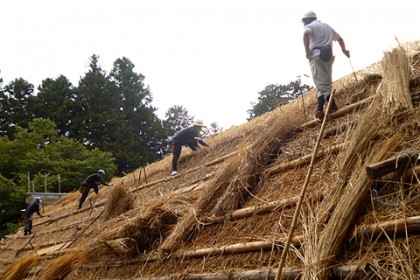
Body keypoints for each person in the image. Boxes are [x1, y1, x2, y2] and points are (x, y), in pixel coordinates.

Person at [302, 11, 350, 122]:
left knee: (321, 83)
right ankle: (319, 109)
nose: (303, 23)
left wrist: (307, 51)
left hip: (316, 55)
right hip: (328, 55)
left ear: (308, 19)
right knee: (323, 82)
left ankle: (333, 107)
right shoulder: (326, 26)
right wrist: (344, 50)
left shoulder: (310, 26)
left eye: (304, 21)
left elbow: (305, 34)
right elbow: (340, 39)